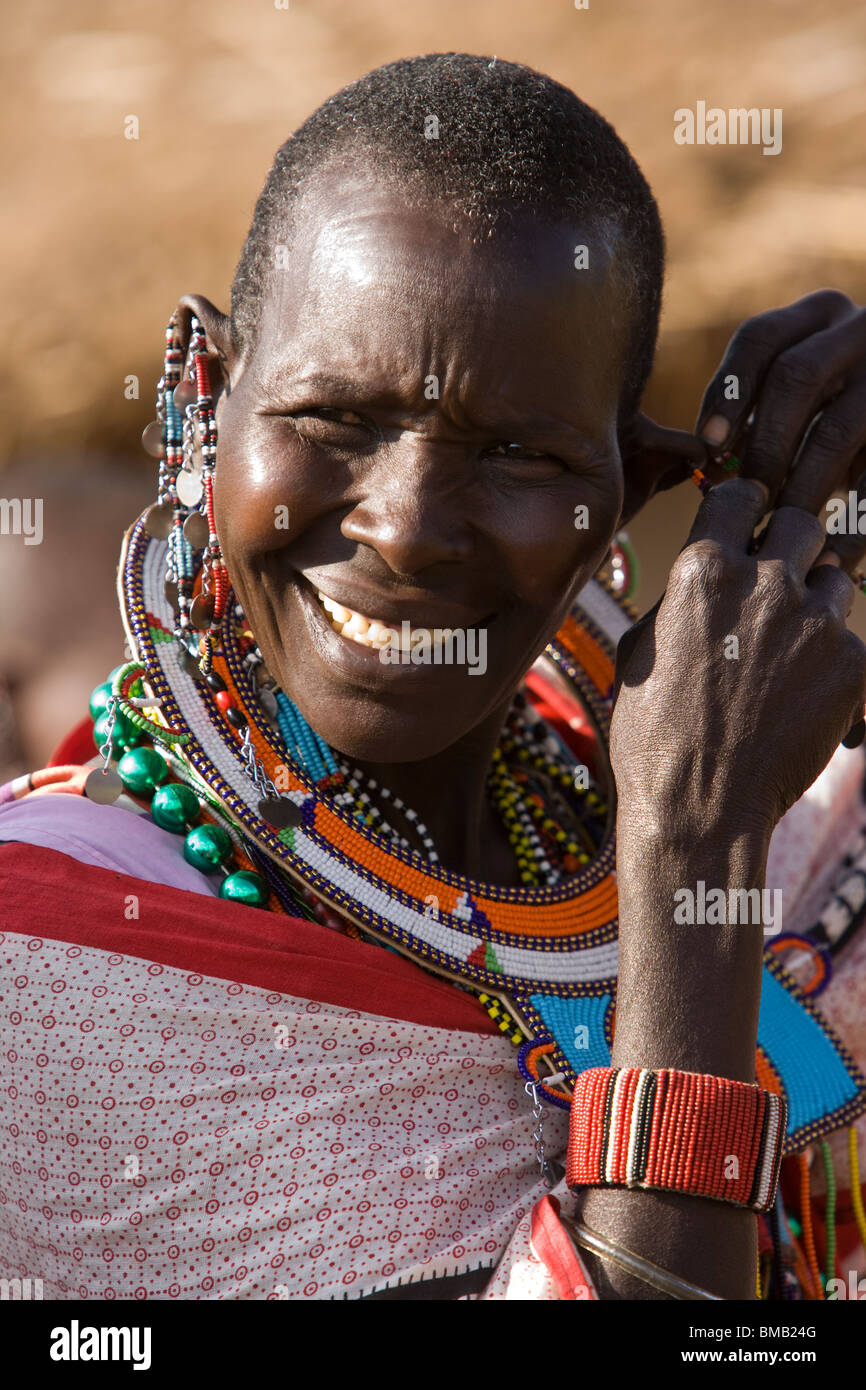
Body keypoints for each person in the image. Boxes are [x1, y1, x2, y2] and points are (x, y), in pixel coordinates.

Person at [2, 52, 866, 1302]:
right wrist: (688, 861)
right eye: (333, 418)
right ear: (202, 388)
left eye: (516, 451)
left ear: (631, 483)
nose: (405, 529)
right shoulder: (62, 967)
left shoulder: (688, 800)